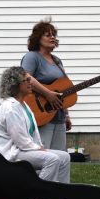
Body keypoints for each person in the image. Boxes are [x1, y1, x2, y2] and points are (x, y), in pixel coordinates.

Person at [0, 66, 71, 183]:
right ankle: (38, 192)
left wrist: (39, 147)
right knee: (52, 160)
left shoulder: (23, 105)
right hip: (12, 153)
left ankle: (62, 192)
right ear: (16, 84)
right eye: (27, 80)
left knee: (65, 157)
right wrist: (39, 149)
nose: (31, 83)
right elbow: (21, 140)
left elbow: (31, 135)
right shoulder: (11, 107)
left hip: (23, 149)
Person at [21, 18, 71, 152]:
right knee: (43, 157)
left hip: (58, 116)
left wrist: (66, 115)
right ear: (38, 38)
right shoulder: (32, 57)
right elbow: (25, 76)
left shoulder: (57, 60)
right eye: (48, 35)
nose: (52, 37)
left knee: (61, 158)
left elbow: (63, 88)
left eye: (54, 35)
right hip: (41, 115)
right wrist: (47, 94)